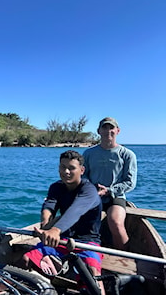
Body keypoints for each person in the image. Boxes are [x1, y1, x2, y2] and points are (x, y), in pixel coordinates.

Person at [18, 150, 105, 295]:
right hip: (61, 240)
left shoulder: (89, 190)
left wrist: (55, 230)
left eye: (71, 168)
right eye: (62, 167)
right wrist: (45, 226)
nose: (66, 172)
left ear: (82, 170)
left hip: (87, 243)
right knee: (26, 259)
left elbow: (75, 211)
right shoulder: (56, 187)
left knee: (92, 276)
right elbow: (49, 207)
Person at [83, 117, 137, 250]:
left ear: (117, 131)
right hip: (93, 196)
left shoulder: (127, 155)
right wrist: (91, 190)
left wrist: (109, 190)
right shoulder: (88, 153)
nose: (108, 131)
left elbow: (130, 182)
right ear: (98, 131)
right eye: (104, 128)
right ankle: (86, 252)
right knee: (80, 220)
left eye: (111, 128)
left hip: (115, 197)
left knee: (116, 223)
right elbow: (83, 176)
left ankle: (123, 257)